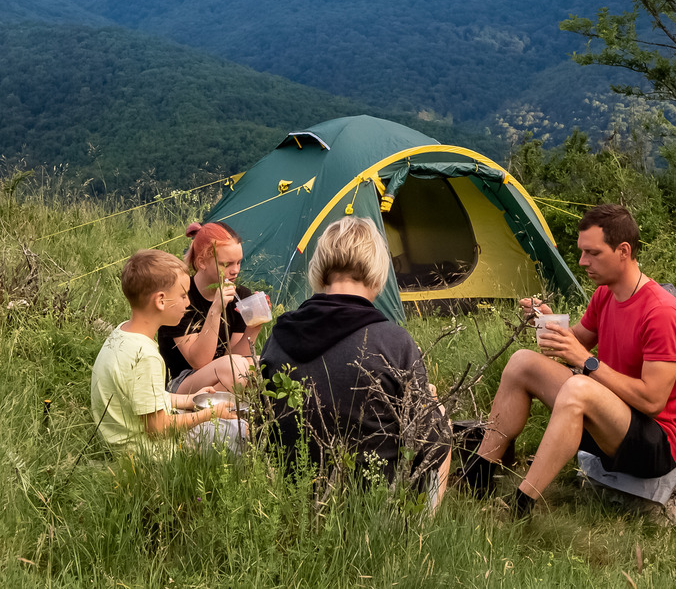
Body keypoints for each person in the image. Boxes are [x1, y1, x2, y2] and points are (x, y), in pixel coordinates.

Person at [461, 204, 676, 517]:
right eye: (582, 252)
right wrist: (548, 323)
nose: (583, 262)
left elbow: (652, 401)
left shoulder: (661, 314)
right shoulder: (606, 294)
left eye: (593, 253)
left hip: (657, 445)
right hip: (612, 422)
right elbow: (575, 340)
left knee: (579, 389)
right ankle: (479, 474)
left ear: (623, 251)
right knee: (522, 363)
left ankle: (518, 508)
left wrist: (587, 363)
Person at [259, 217, 453, 511]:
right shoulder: (393, 341)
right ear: (377, 275)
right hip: (370, 505)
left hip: (291, 495)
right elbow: (429, 441)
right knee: (438, 417)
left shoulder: (279, 333)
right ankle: (420, 536)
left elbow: (263, 420)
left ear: (320, 271)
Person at [90, 249, 241, 453]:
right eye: (183, 295)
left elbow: (144, 396)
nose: (188, 303)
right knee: (239, 431)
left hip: (120, 437)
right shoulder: (145, 356)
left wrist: (188, 399)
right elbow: (157, 428)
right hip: (143, 451)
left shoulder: (122, 333)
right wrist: (210, 414)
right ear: (161, 301)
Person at [157, 222, 261, 395]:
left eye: (238, 262)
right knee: (237, 371)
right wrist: (215, 310)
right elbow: (199, 362)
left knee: (263, 365)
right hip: (181, 380)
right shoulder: (181, 296)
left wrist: (254, 326)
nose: (235, 270)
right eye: (226, 264)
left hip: (225, 372)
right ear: (202, 262)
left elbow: (236, 355)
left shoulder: (240, 294)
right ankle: (196, 415)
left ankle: (221, 413)